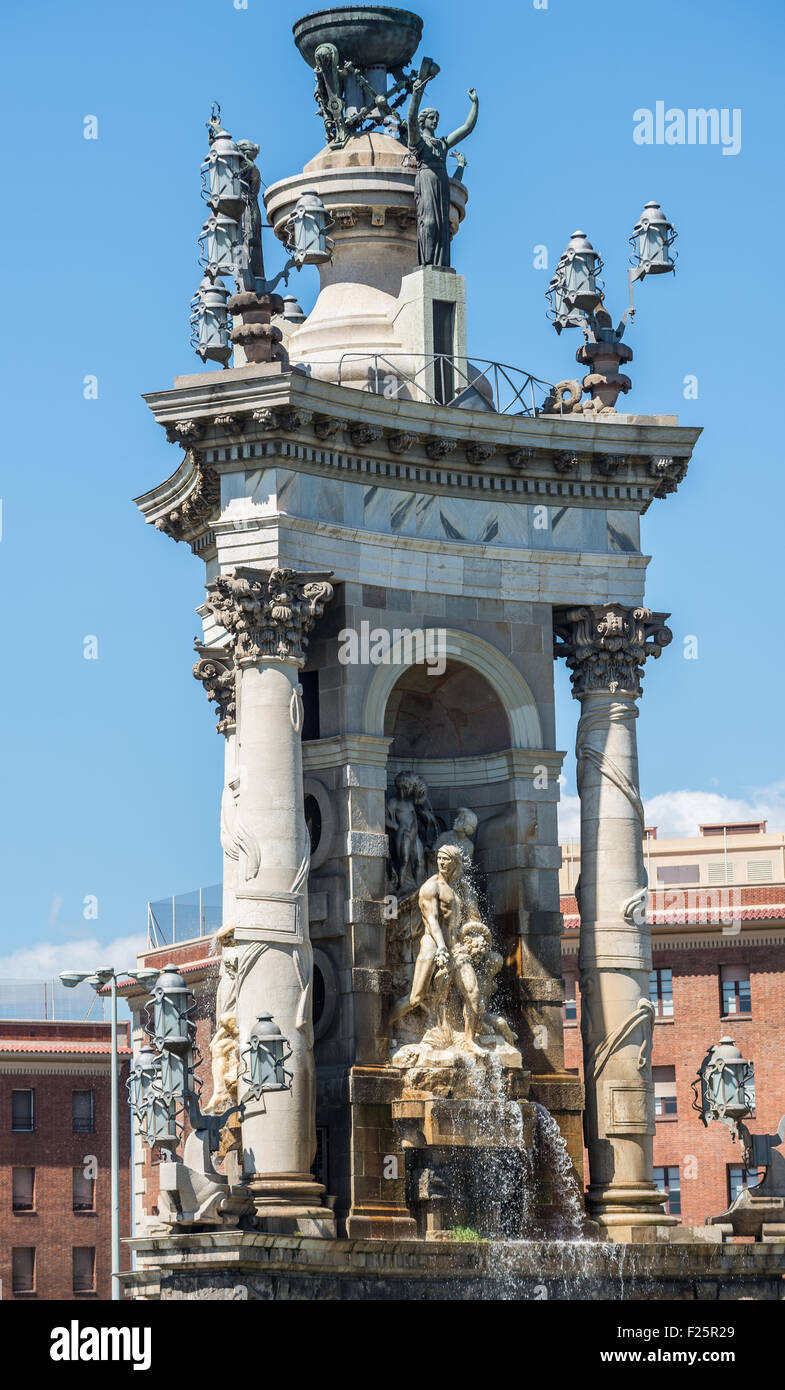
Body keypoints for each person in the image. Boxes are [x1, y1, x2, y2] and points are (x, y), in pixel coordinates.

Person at [406, 79, 479, 267]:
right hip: (426, 181)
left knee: (441, 226)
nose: (435, 120)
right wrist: (417, 94)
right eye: (432, 117)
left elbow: (467, 129)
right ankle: (426, 262)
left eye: (437, 118)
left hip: (441, 184)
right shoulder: (419, 142)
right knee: (428, 222)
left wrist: (475, 103)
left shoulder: (442, 144)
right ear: (424, 121)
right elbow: (411, 119)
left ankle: (440, 263)